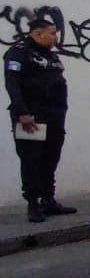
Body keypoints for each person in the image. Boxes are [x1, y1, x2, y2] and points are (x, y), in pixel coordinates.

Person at [5, 18, 76, 223]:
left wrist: (61, 111)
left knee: (50, 158)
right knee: (31, 159)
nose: (56, 37)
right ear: (37, 33)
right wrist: (22, 113)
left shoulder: (50, 56)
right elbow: (12, 85)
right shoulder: (18, 53)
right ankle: (33, 204)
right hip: (31, 118)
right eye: (52, 33)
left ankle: (48, 200)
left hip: (54, 116)